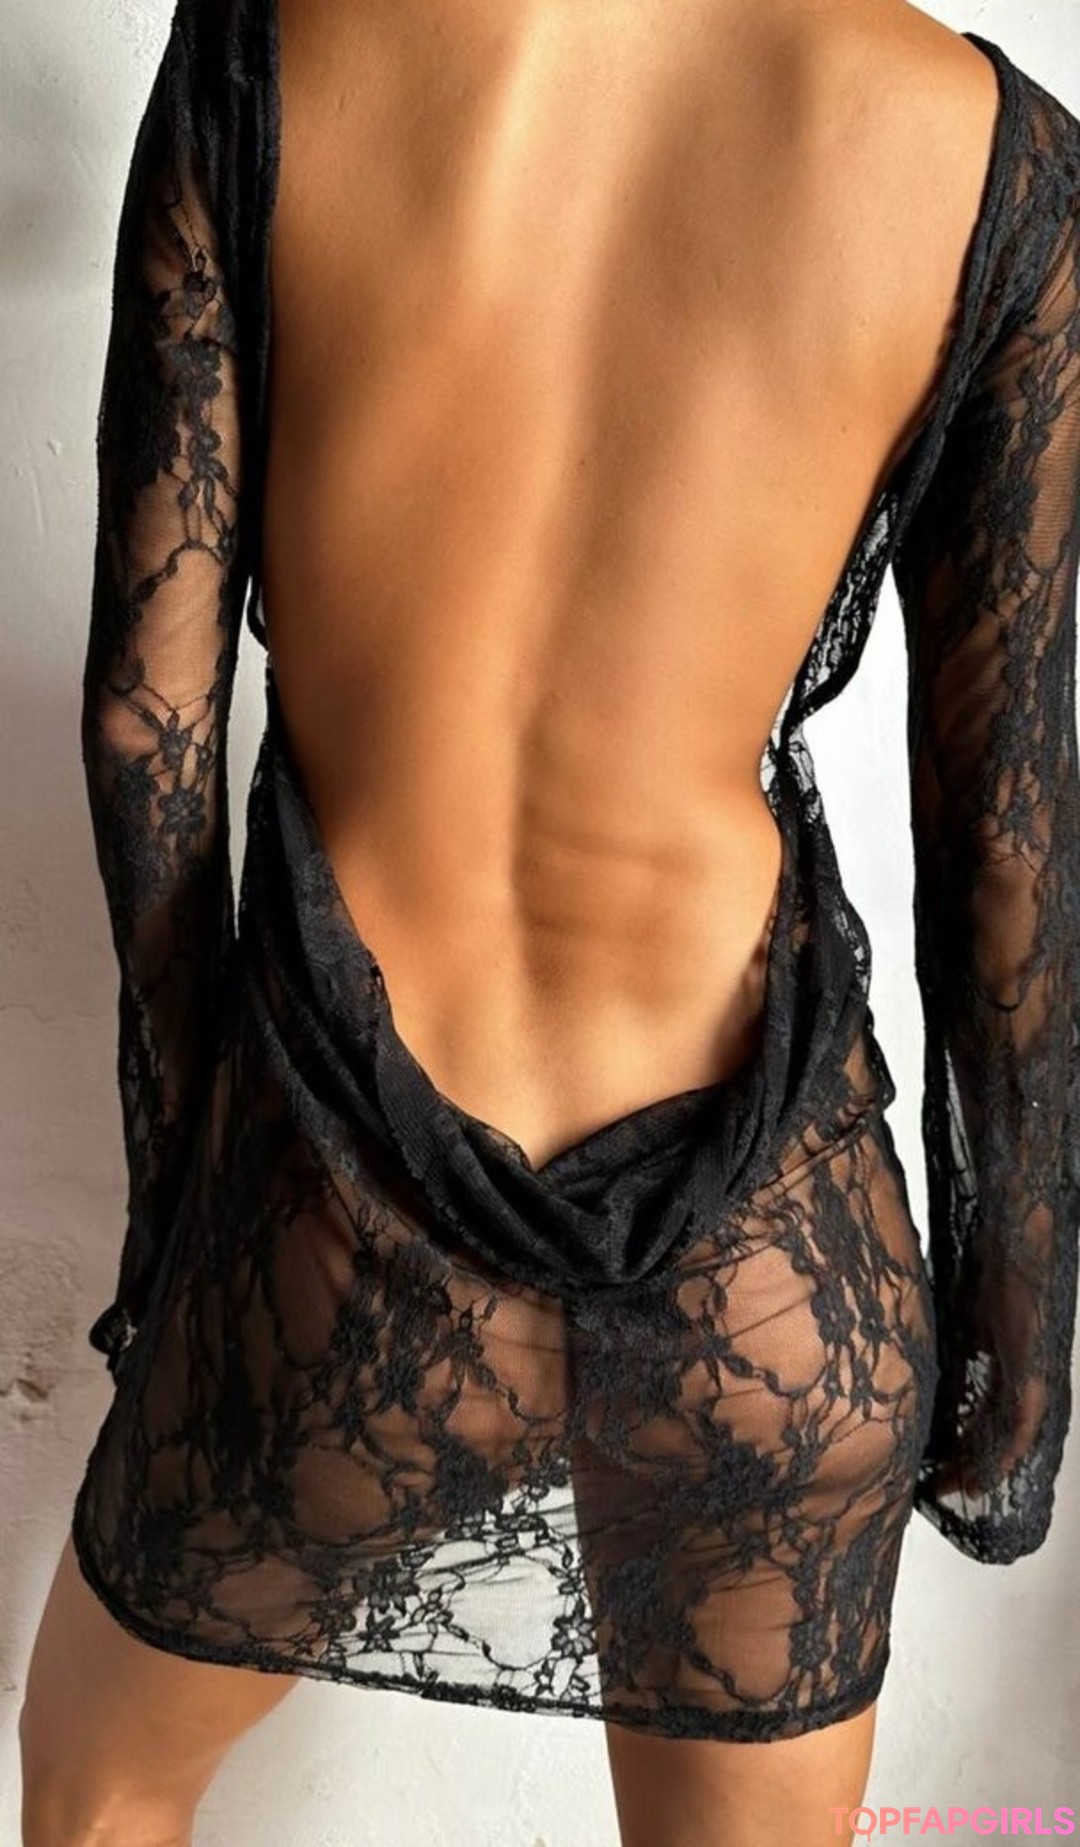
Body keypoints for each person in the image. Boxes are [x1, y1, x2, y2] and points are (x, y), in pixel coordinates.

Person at [19, 0, 1080, 1842]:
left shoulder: (279, 39)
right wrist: (1014, 1339)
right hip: (781, 1274)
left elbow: (147, 721)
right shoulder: (996, 158)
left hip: (342, 1216)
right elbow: (1007, 855)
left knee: (103, 1784)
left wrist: (196, 1196)